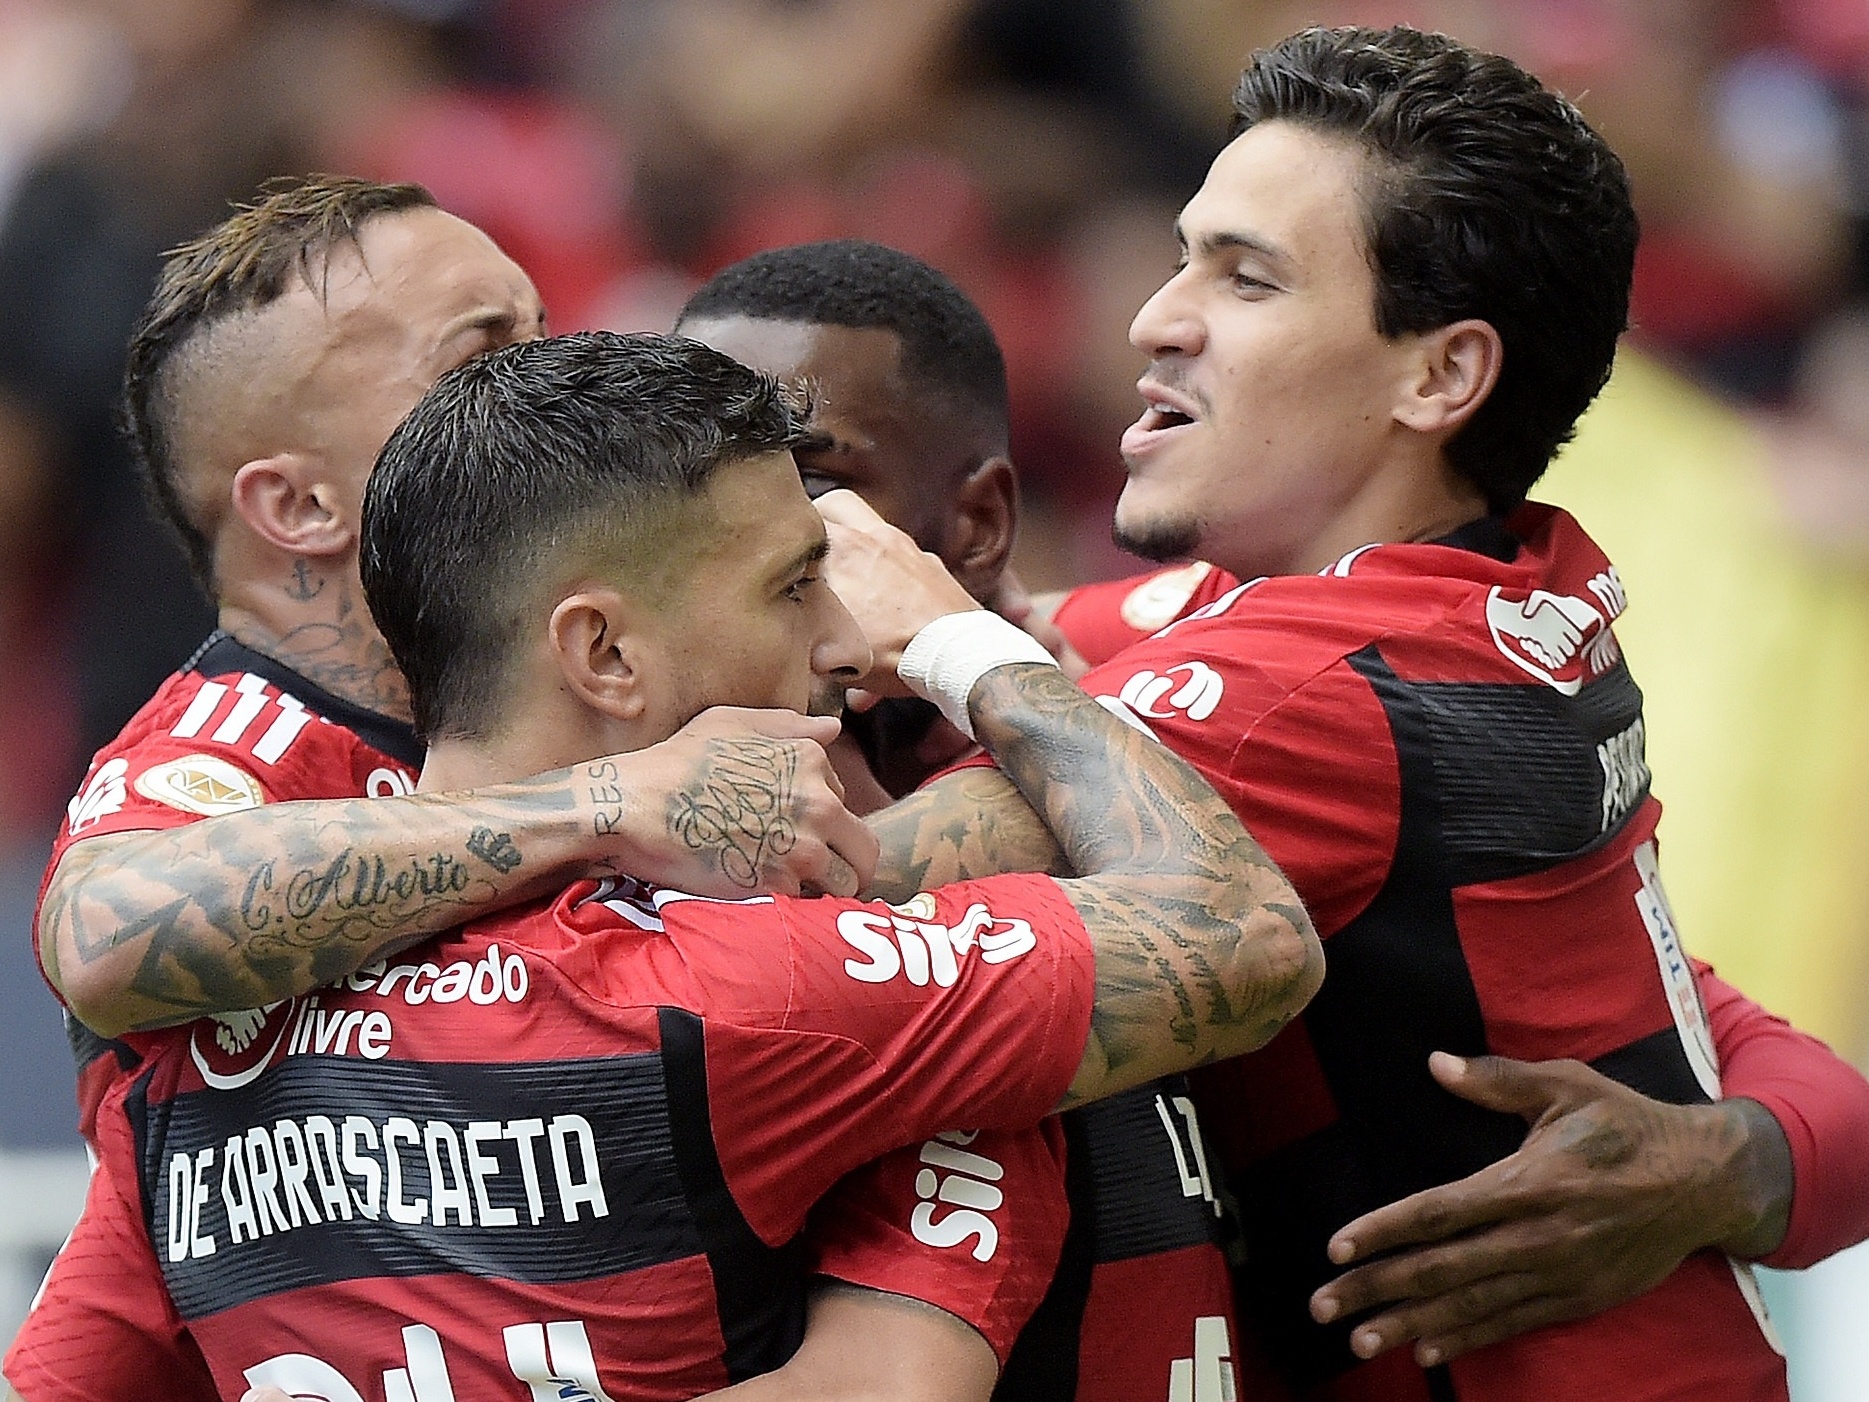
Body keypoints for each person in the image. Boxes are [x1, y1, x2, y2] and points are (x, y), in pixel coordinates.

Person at [846, 25, 1869, 1400]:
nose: (1158, 315)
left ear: (1440, 376)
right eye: (1183, 251)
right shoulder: (1480, 578)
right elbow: (1704, 1017)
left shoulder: (1315, 692)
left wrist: (938, 640)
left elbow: (835, 902)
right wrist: (1754, 1156)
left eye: (1245, 277)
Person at [41, 329, 1320, 1398]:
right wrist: (969, 649)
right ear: (602, 654)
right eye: (796, 583)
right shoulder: (735, 989)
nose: (844, 641)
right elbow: (1245, 938)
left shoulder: (187, 1035)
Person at [676, 239, 1246, 1402]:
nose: (746, 535)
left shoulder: (1187, 691)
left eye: (808, 479)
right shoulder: (663, 836)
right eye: (694, 484)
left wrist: (1732, 1148)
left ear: (977, 522)